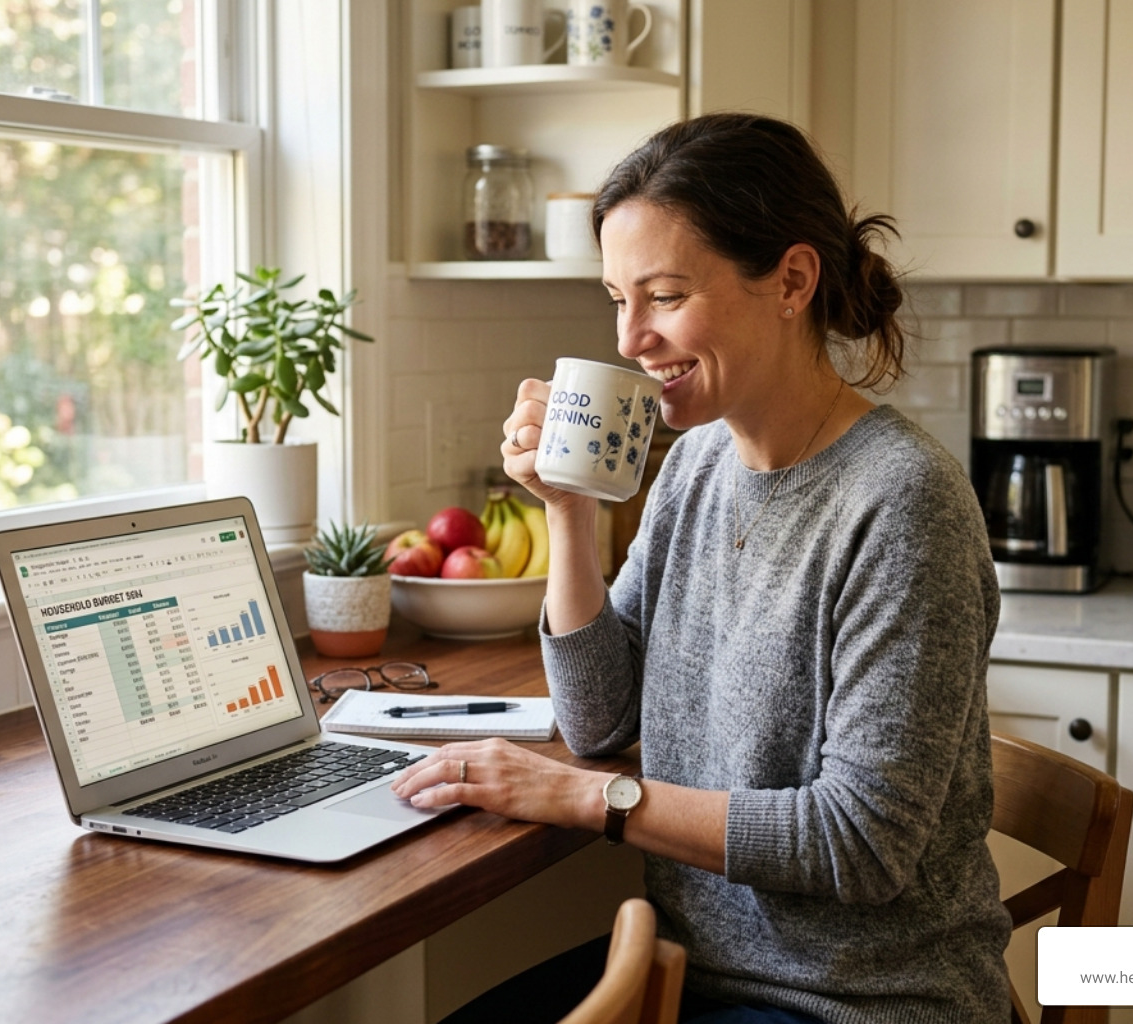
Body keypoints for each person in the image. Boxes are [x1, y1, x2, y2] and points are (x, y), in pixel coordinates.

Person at [390, 112, 1011, 1024]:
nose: (630, 337)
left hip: (863, 1003)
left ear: (792, 281)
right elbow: (599, 719)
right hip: (700, 971)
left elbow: (861, 844)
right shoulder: (696, 464)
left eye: (665, 296)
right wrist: (566, 508)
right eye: (618, 298)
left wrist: (580, 798)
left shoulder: (902, 501)